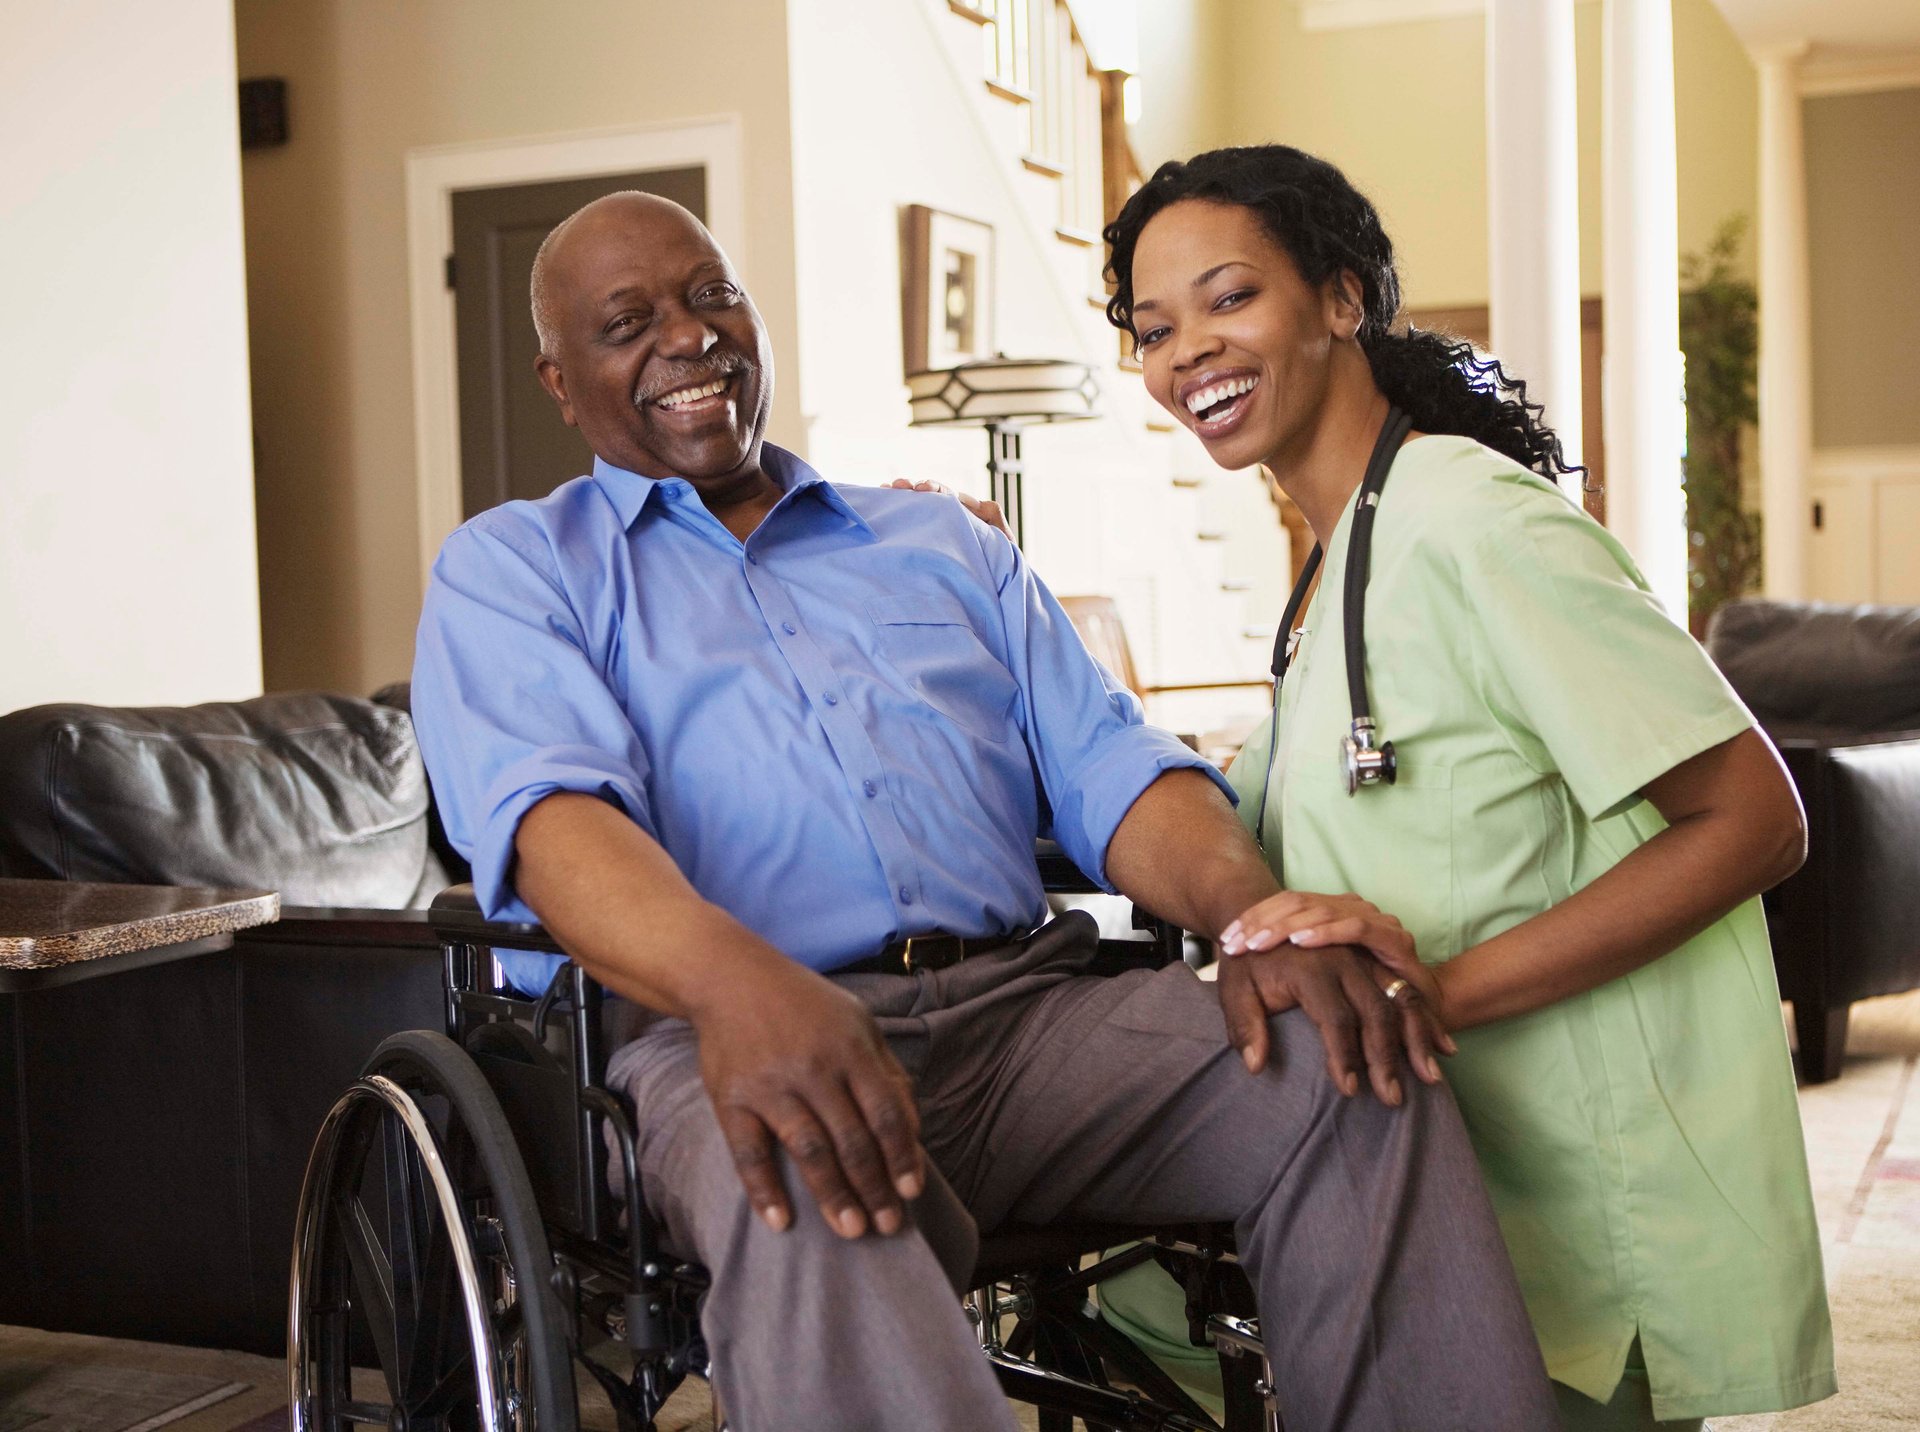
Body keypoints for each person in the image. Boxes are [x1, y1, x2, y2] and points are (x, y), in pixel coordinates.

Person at [411, 189, 1561, 1431]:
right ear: (560, 381)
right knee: (803, 1168)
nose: (686, 337)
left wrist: (1257, 917)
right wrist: (739, 989)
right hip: (731, 1028)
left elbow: (1115, 769)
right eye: (626, 322)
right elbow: (553, 823)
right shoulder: (517, 568)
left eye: (709, 296)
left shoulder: (940, 544)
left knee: (1348, 1051)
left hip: (1027, 1021)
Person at [1084, 146, 1836, 1431]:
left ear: (1341, 299)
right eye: (1155, 329)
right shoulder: (1339, 565)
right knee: (1128, 1299)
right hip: (1444, 1170)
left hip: (1582, 1207)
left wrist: (1435, 992)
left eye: (1227, 299)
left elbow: (1757, 818)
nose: (1187, 352)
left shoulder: (1477, 523)